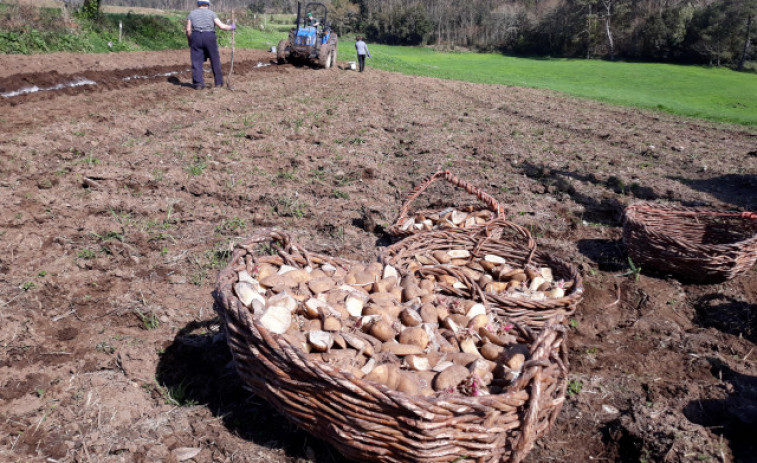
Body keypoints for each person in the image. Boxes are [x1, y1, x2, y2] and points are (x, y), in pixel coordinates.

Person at [186, 0, 235, 90]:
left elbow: (188, 30)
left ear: (198, 4)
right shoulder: (212, 13)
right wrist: (231, 27)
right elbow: (222, 26)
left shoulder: (191, 14)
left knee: (196, 61)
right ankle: (219, 82)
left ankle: (198, 84)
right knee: (214, 59)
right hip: (209, 36)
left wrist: (190, 41)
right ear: (207, 4)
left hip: (196, 36)